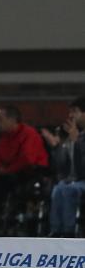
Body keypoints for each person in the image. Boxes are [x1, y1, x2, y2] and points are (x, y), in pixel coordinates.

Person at [0, 106, 49, 234]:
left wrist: (4, 171)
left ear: (12, 120)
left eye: (0, 119)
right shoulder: (6, 136)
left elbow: (27, 160)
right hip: (10, 172)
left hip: (28, 174)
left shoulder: (29, 134)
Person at [42, 97, 85, 237]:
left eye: (75, 112)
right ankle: (56, 230)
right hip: (74, 180)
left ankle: (68, 232)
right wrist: (56, 147)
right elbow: (62, 166)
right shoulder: (73, 136)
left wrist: (77, 142)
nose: (71, 116)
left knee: (68, 190)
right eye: (70, 112)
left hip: (82, 180)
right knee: (58, 189)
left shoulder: (77, 137)